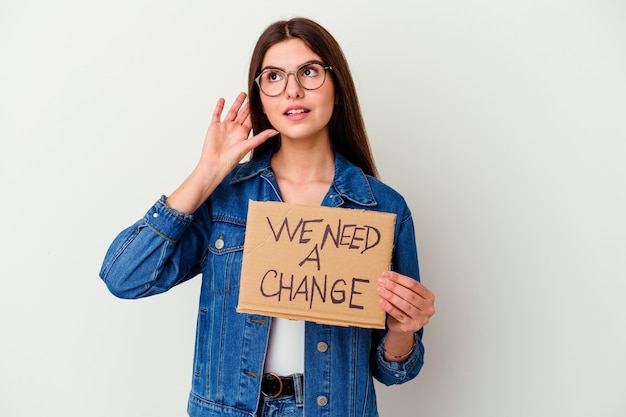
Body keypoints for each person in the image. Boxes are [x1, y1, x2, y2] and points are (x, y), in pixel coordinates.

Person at [100, 17, 435, 417]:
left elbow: (395, 372)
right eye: (274, 76)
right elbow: (125, 278)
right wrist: (207, 172)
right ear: (261, 97)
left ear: (337, 87)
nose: (292, 89)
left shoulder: (383, 208)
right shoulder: (225, 199)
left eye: (309, 72)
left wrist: (403, 331)